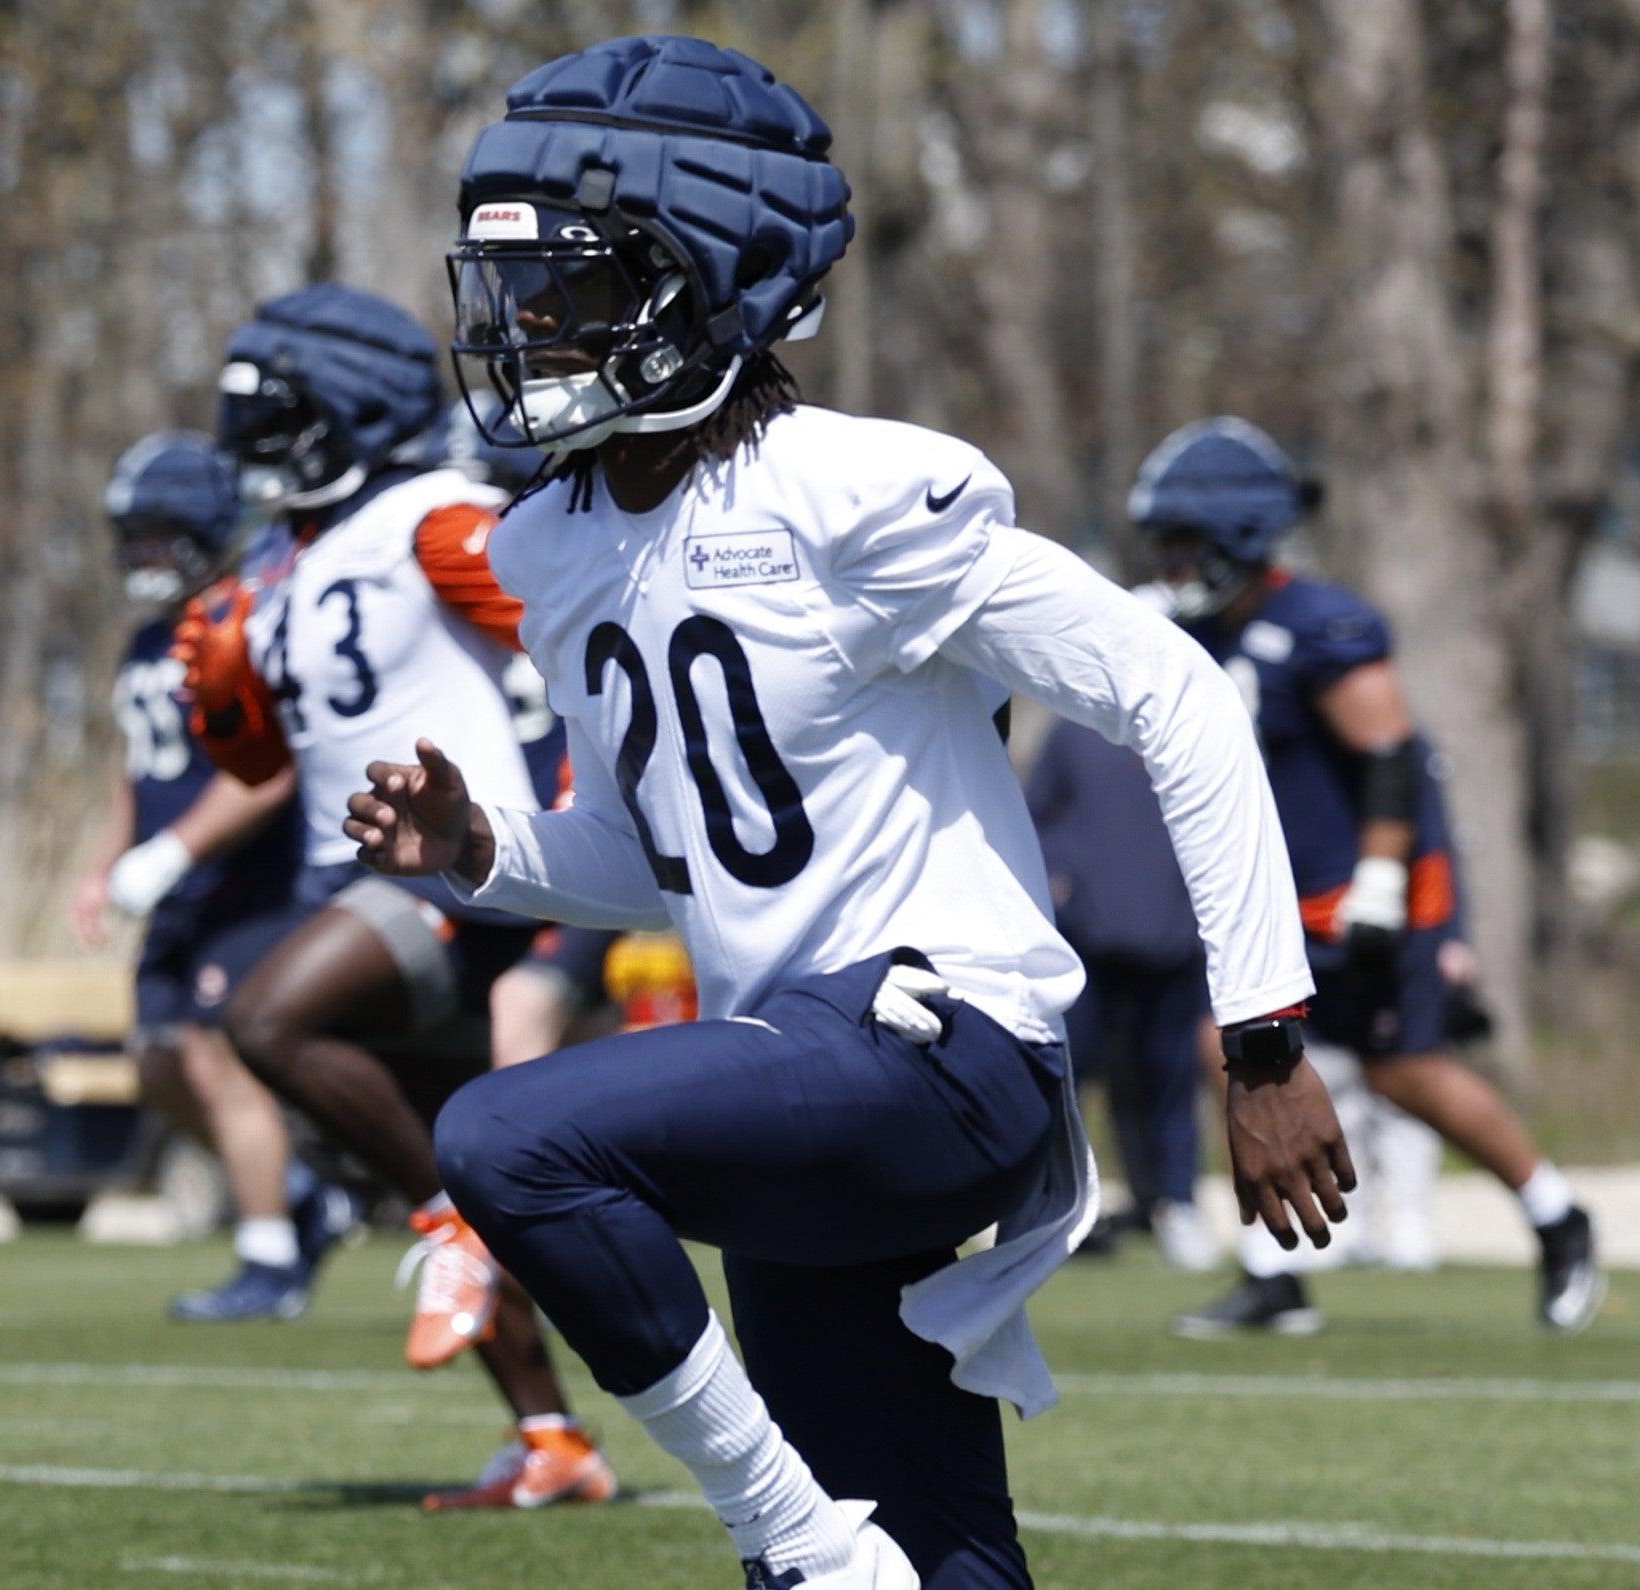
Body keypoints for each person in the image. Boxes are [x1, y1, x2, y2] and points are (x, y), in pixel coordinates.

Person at [345, 35, 1349, 1590]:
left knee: (506, 1133)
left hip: (942, 1051)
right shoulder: (554, 545)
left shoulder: (855, 494)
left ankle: (795, 1536)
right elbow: (657, 854)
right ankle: (824, 1550)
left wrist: (1265, 1036)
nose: (531, 327)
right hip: (795, 1075)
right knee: (937, 1553)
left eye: (577, 287)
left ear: (711, 285)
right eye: (518, 292)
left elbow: (1180, 695)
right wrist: (483, 849)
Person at [174, 287, 615, 1511]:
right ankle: (551, 1442)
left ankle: (448, 1237)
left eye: (268, 418)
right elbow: (260, 766)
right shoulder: (291, 567)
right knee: (468, 1178)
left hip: (445, 871)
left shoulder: (431, 515)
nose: (245, 444)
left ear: (336, 415)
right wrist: (225, 683)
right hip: (352, 878)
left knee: (265, 1024)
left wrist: (561, 813)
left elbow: (575, 637)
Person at [1127, 416, 1605, 1337]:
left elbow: (1388, 758)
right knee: (1223, 1050)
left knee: (1403, 1073)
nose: (1170, 561)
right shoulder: (1199, 635)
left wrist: (1384, 882)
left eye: (1182, 541)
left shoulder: (1319, 624)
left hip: (1367, 888)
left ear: (1234, 537)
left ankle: (1557, 1215)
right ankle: (1275, 1271)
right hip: (1284, 897)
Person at [71, 431, 356, 1321]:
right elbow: (139, 772)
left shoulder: (239, 623)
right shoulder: (143, 641)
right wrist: (107, 864)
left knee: (210, 1053)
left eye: (161, 531)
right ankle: (307, 1198)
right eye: (135, 533)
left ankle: (267, 1259)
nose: (144, 551)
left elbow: (269, 772)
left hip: (248, 879)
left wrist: (172, 854)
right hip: (175, 883)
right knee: (156, 1062)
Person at [1024, 716, 1220, 1270]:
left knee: (1170, 1077)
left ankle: (1175, 1202)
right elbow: (1037, 816)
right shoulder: (1072, 731)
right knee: (1070, 1069)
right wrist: (1059, 882)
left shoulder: (1186, 727)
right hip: (1085, 939)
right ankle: (1059, 1211)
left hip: (1173, 939)